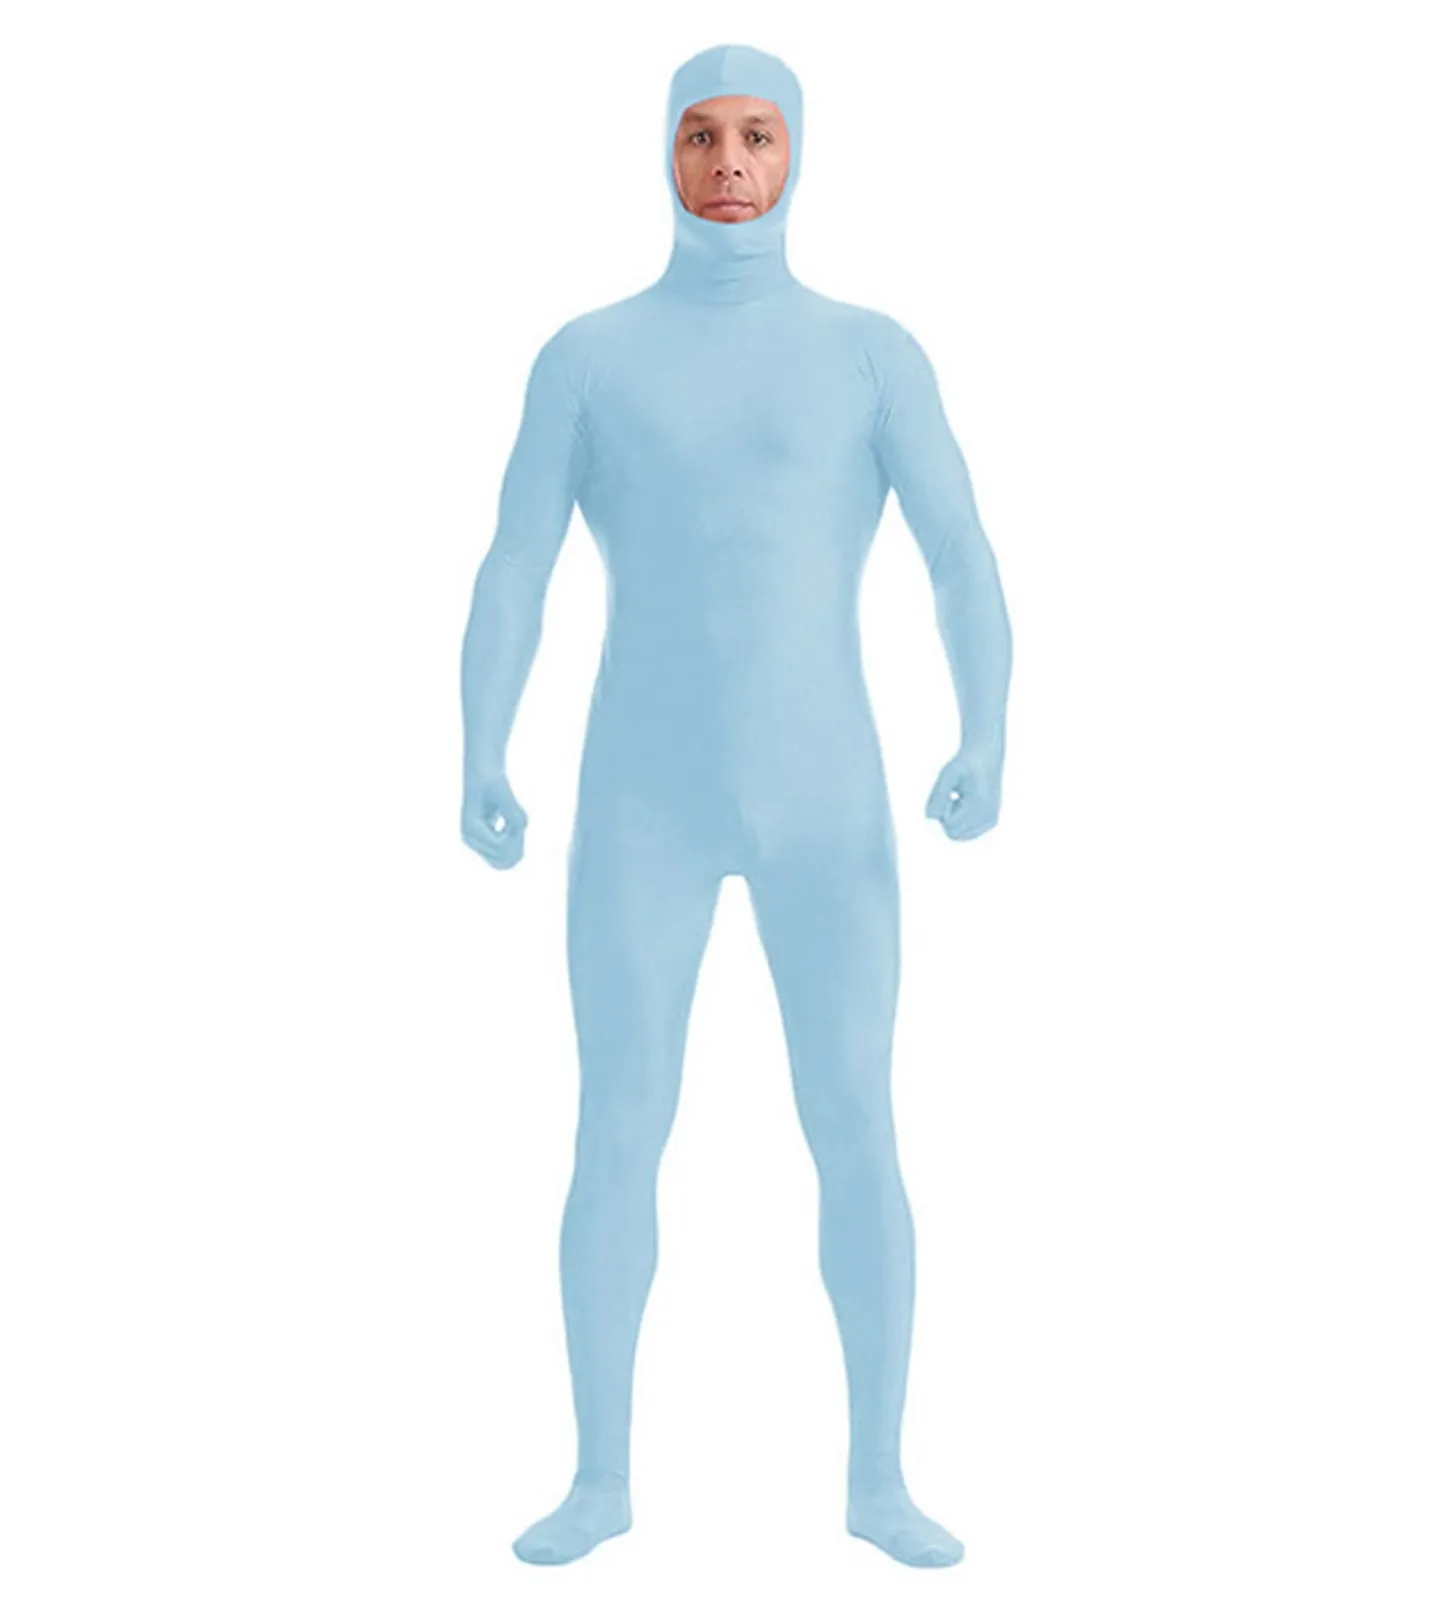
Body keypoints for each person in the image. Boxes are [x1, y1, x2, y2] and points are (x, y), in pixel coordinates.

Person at [460, 41, 1012, 1567]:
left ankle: (879, 1479)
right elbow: (514, 565)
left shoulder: (869, 353)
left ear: (796, 154)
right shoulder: (587, 357)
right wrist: (480, 747)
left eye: (756, 135)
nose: (727, 163)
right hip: (641, 799)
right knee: (617, 1128)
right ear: (664, 152)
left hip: (825, 801)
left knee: (856, 1123)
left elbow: (961, 553)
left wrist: (988, 729)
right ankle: (600, 1477)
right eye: (700, 134)